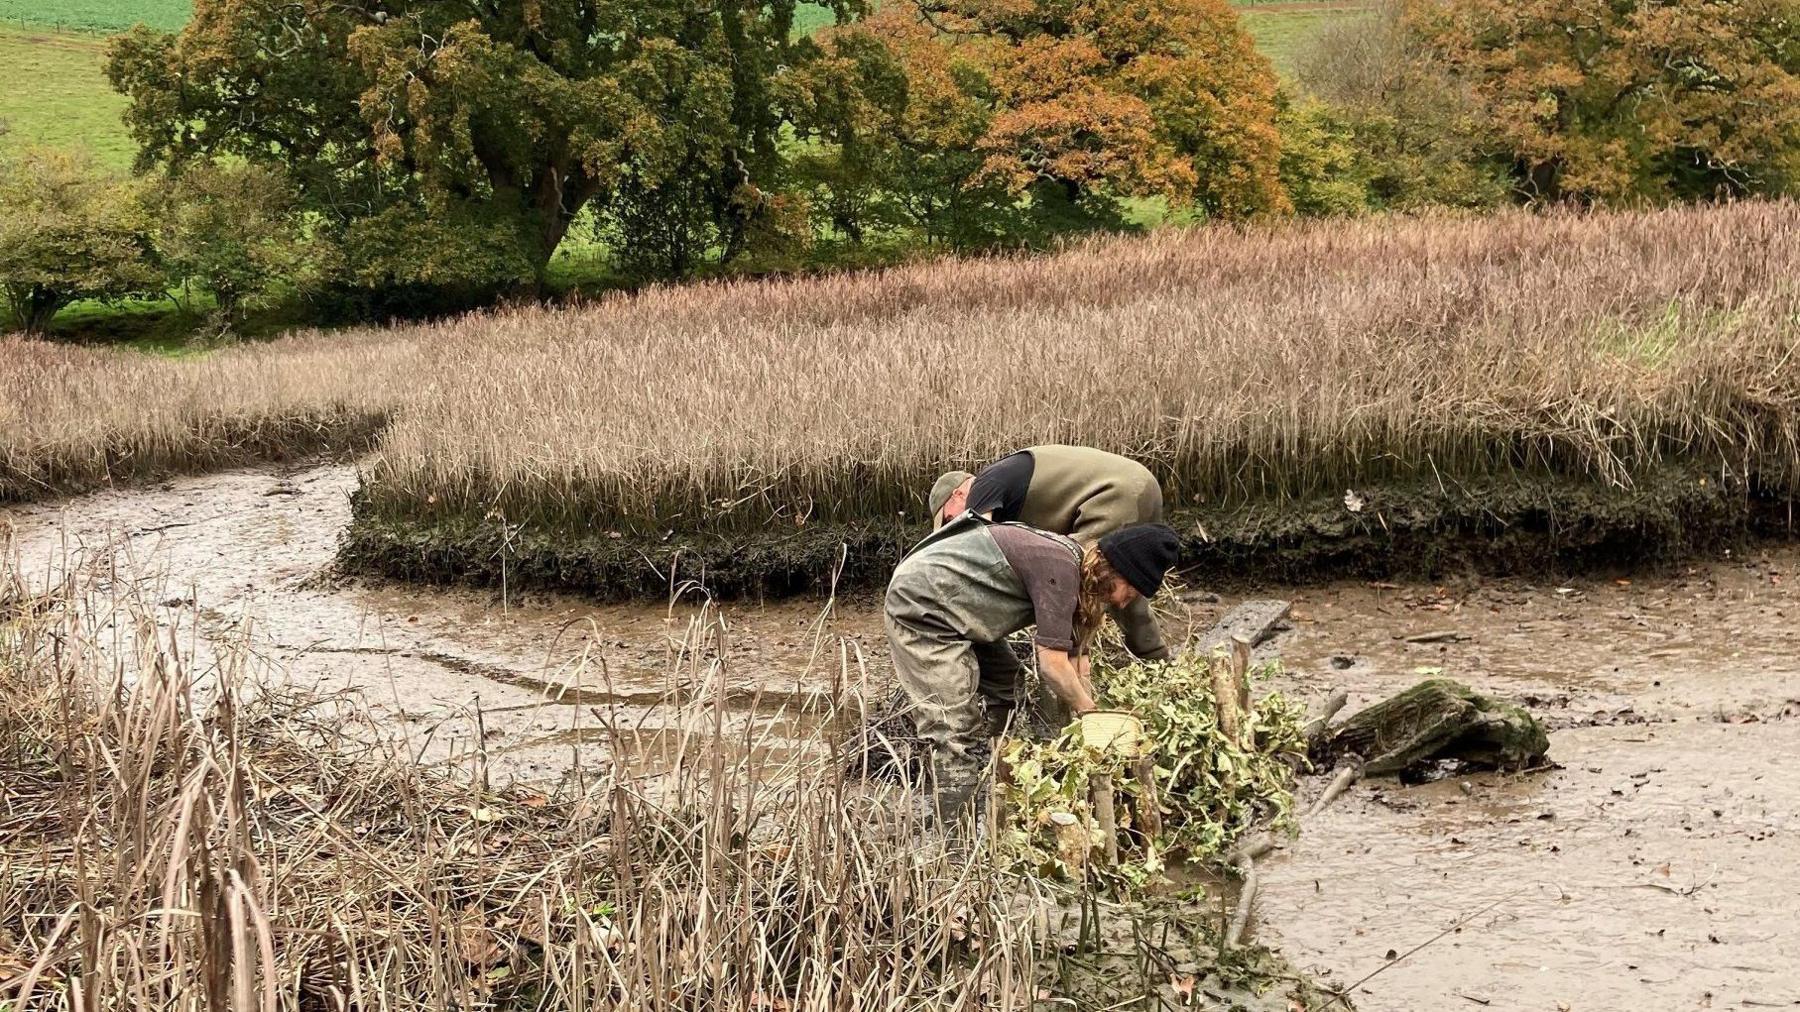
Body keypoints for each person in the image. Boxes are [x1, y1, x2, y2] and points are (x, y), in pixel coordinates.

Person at [885, 515, 1181, 825]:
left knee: (1008, 683)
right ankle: (954, 835)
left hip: (960, 607)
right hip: (922, 604)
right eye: (1129, 592)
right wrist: (1091, 715)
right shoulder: (1060, 569)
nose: (1123, 604)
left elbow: (1078, 664)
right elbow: (1052, 666)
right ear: (1113, 572)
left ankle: (1000, 774)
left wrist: (1090, 730)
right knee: (954, 726)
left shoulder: (1084, 580)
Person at [927, 445, 1172, 661]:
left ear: (958, 494)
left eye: (949, 517)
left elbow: (979, 554)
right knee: (1123, 582)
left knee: (1081, 581)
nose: (954, 526)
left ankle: (1061, 678)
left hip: (1113, 494)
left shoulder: (984, 485)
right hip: (1140, 483)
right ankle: (1156, 659)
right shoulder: (1007, 480)